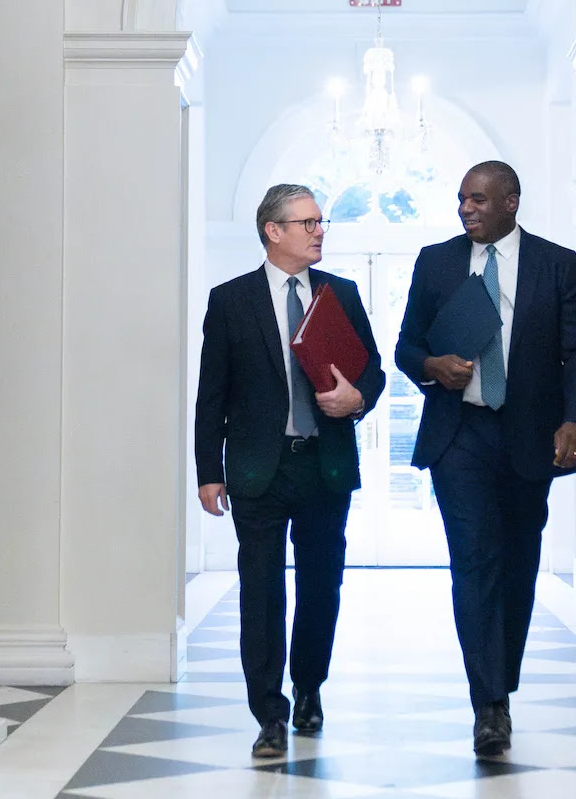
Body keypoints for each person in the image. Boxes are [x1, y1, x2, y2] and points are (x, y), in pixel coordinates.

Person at [395, 160, 576, 757]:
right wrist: (431, 367)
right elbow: (409, 345)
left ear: (511, 201)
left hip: (529, 437)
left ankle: (500, 684)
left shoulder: (555, 264)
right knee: (474, 562)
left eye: (479, 200)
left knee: (516, 567)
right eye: (461, 199)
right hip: (459, 436)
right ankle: (489, 704)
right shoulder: (435, 262)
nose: (467, 209)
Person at [194, 183, 386, 758]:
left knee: (322, 585)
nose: (319, 231)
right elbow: (212, 396)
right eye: (306, 223)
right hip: (258, 470)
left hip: (324, 466)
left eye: (320, 221)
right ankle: (268, 714)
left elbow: (371, 371)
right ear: (273, 232)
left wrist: (357, 399)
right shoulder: (231, 301)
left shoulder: (341, 294)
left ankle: (309, 690)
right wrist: (209, 470)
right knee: (261, 591)